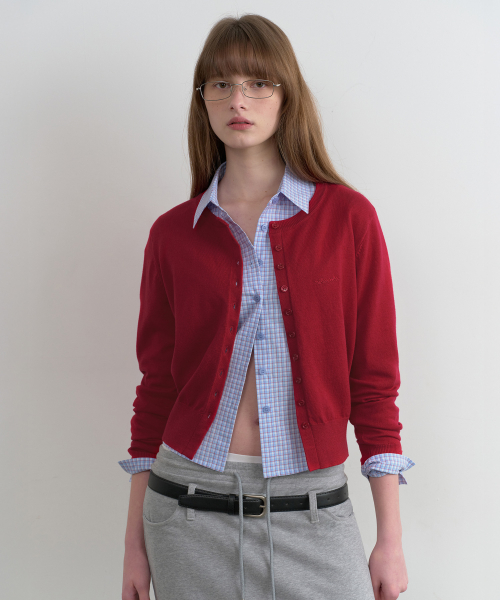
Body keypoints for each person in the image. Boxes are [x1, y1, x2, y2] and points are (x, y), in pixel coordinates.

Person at [120, 13, 415, 600]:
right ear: (202, 100)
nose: (239, 100)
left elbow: (374, 381)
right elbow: (157, 387)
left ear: (287, 96)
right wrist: (133, 542)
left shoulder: (347, 219)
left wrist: (390, 539)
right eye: (221, 84)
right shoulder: (173, 234)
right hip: (187, 510)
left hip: (313, 510)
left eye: (259, 83)